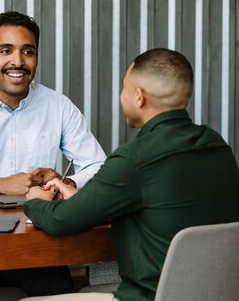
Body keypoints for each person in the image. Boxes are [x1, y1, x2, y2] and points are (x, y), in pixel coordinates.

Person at [22, 48, 239, 301]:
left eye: (124, 87)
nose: (121, 95)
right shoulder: (217, 146)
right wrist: (82, 199)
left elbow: (60, 221)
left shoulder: (134, 159)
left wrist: (34, 200)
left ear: (139, 97)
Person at [0, 11, 107, 300]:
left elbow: (99, 167)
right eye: (6, 51)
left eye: (28, 51)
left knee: (58, 289)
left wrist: (65, 183)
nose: (18, 62)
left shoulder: (58, 106)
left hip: (35, 243)